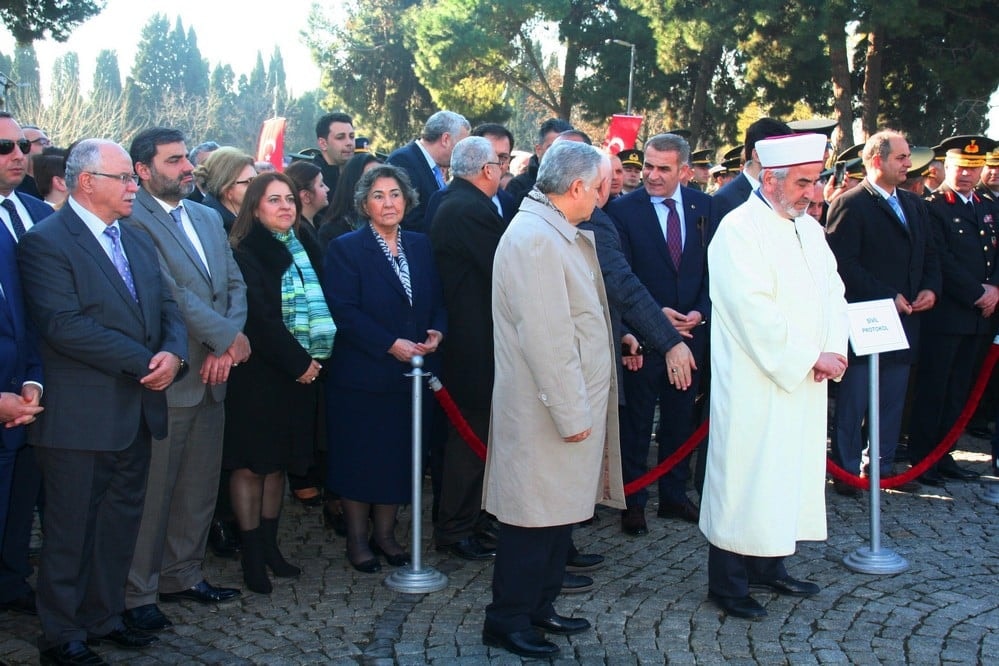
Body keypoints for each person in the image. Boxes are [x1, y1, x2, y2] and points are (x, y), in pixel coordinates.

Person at [18, 138, 187, 664]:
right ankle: (62, 634)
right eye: (124, 178)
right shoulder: (46, 242)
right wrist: (145, 360)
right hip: (78, 418)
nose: (134, 186)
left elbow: (168, 307)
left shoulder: (135, 239)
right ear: (86, 182)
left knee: (118, 526)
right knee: (70, 531)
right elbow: (64, 326)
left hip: (136, 413)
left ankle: (103, 615)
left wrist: (174, 354)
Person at [481, 140, 625, 659]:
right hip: (547, 406)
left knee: (555, 515)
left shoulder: (552, 230)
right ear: (578, 187)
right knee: (530, 519)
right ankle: (508, 619)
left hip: (563, 401)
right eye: (603, 183)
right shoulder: (536, 239)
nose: (607, 193)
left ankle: (538, 608)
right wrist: (570, 410)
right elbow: (546, 336)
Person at [701, 132, 848, 620]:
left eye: (816, 180)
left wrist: (833, 348)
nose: (813, 192)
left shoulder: (808, 228)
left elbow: (833, 291)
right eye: (804, 182)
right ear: (771, 178)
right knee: (746, 476)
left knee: (786, 474)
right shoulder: (739, 229)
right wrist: (810, 356)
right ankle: (728, 582)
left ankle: (770, 564)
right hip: (755, 382)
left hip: (805, 379)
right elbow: (751, 311)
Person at [121, 128, 250, 632]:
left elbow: (234, 283)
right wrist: (225, 339)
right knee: (155, 491)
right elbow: (169, 292)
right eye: (174, 160)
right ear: (143, 169)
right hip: (172, 373)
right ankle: (139, 590)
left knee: (197, 488)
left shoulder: (204, 215)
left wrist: (229, 340)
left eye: (185, 159)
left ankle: (183, 574)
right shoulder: (134, 218)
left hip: (216, 372)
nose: (186, 168)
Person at [323, 164, 446, 573]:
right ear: (363, 203)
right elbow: (344, 310)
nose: (388, 202)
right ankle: (358, 541)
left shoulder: (421, 245)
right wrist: (388, 344)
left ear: (407, 200)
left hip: (411, 376)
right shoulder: (346, 248)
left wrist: (437, 332)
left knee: (400, 456)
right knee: (361, 459)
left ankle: (387, 535)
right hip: (363, 375)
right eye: (378, 195)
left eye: (395, 194)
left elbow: (439, 300)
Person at [225, 172, 335, 593]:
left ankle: (271, 548)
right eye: (274, 200)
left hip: (298, 374)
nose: (286, 207)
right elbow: (260, 318)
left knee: (277, 465)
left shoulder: (301, 245)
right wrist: (298, 362)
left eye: (289, 199)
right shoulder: (245, 251)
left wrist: (309, 363)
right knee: (252, 465)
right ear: (255, 207)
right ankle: (252, 558)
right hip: (259, 374)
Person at [826, 130, 941, 496]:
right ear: (877, 160)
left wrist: (929, 289)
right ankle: (845, 472)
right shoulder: (850, 202)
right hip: (866, 320)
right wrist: (887, 295)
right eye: (901, 157)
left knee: (892, 400)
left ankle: (882, 468)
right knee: (854, 401)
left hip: (906, 321)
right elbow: (842, 264)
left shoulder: (915, 205)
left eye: (907, 157)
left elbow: (930, 254)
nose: (909, 164)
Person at [608, 133, 712, 535]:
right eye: (648, 165)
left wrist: (699, 313)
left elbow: (714, 270)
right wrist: (650, 321)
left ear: (684, 171)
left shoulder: (705, 207)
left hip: (691, 335)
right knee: (636, 424)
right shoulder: (623, 211)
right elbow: (621, 276)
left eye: (662, 168)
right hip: (643, 340)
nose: (651, 175)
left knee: (680, 420)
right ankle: (632, 500)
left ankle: (673, 495)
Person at [429, 136, 505, 561]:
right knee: (469, 439)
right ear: (488, 170)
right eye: (500, 163)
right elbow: (504, 267)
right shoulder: (469, 209)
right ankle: (456, 527)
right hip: (473, 342)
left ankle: (471, 520)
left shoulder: (450, 200)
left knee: (475, 437)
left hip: (467, 337)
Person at [909, 135, 999, 485]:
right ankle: (923, 458)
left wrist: (994, 289)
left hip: (981, 316)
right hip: (948, 314)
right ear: (944, 166)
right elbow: (940, 260)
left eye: (973, 169)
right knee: (935, 388)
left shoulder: (986, 205)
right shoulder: (934, 206)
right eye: (960, 167)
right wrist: (978, 291)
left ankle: (945, 454)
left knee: (961, 390)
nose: (966, 175)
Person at [0, 111, 50, 620]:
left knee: (22, 502)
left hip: (32, 394)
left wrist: (33, 381)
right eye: (4, 148)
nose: (17, 155)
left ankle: (12, 580)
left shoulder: (38, 212)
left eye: (21, 145)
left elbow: (40, 308)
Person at [387, 110, 470, 232]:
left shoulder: (432, 166)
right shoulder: (404, 161)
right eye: (461, 146)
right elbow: (409, 220)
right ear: (445, 139)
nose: (464, 154)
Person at [709, 118, 792, 234]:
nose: (787, 160)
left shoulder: (786, 193)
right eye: (780, 152)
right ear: (757, 155)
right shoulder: (725, 199)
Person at [317, 152, 382, 249]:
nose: (380, 185)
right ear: (353, 184)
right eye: (370, 180)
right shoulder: (332, 232)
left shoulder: (398, 225)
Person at [504, 118, 573, 207]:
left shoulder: (582, 183)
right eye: (552, 148)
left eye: (564, 149)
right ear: (538, 150)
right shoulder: (518, 186)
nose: (558, 154)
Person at [193, 147, 256, 233]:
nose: (258, 187)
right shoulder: (213, 229)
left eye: (257, 180)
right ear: (226, 189)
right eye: (249, 182)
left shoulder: (251, 218)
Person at [312, 112, 355, 196]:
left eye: (352, 136)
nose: (349, 143)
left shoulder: (357, 175)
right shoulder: (311, 181)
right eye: (340, 137)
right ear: (323, 143)